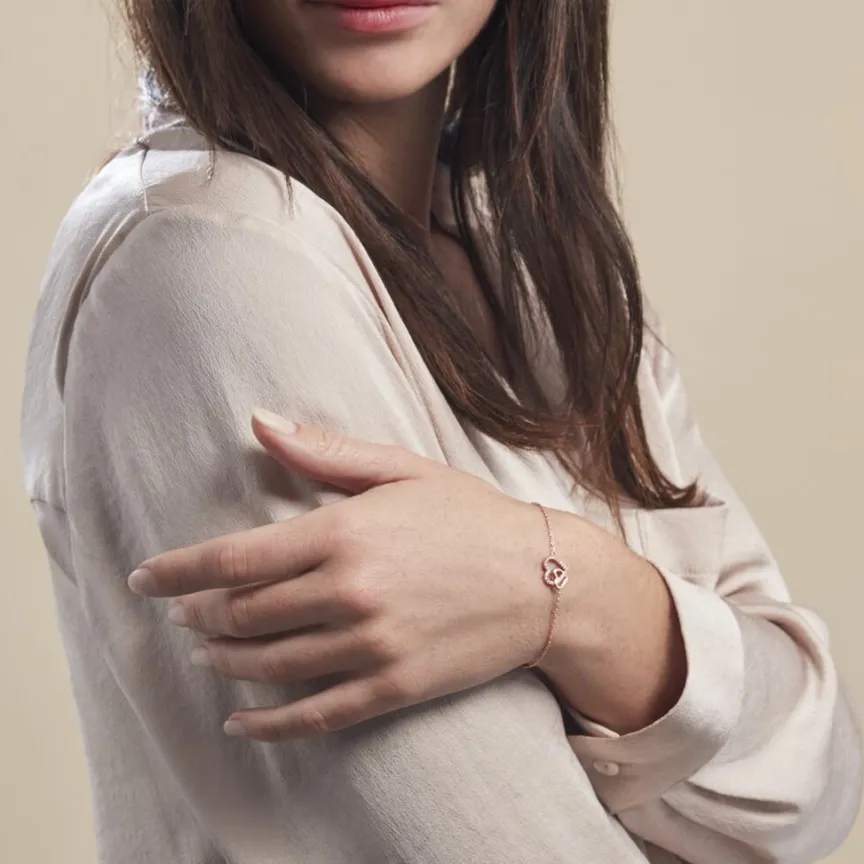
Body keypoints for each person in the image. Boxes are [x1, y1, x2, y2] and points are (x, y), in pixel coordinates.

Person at [20, 1, 861, 862]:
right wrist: (646, 656)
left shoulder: (538, 265)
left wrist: (566, 589)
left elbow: (817, 779)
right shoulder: (208, 258)